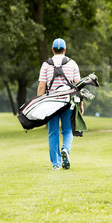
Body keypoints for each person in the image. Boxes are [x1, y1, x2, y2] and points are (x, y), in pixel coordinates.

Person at [37, 38, 82, 170]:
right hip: (67, 102)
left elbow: (41, 87)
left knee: (53, 133)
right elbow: (78, 86)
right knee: (68, 130)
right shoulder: (72, 64)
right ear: (65, 50)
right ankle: (65, 150)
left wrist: (40, 104)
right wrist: (81, 105)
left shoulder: (46, 64)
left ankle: (56, 164)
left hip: (51, 103)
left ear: (52, 50)